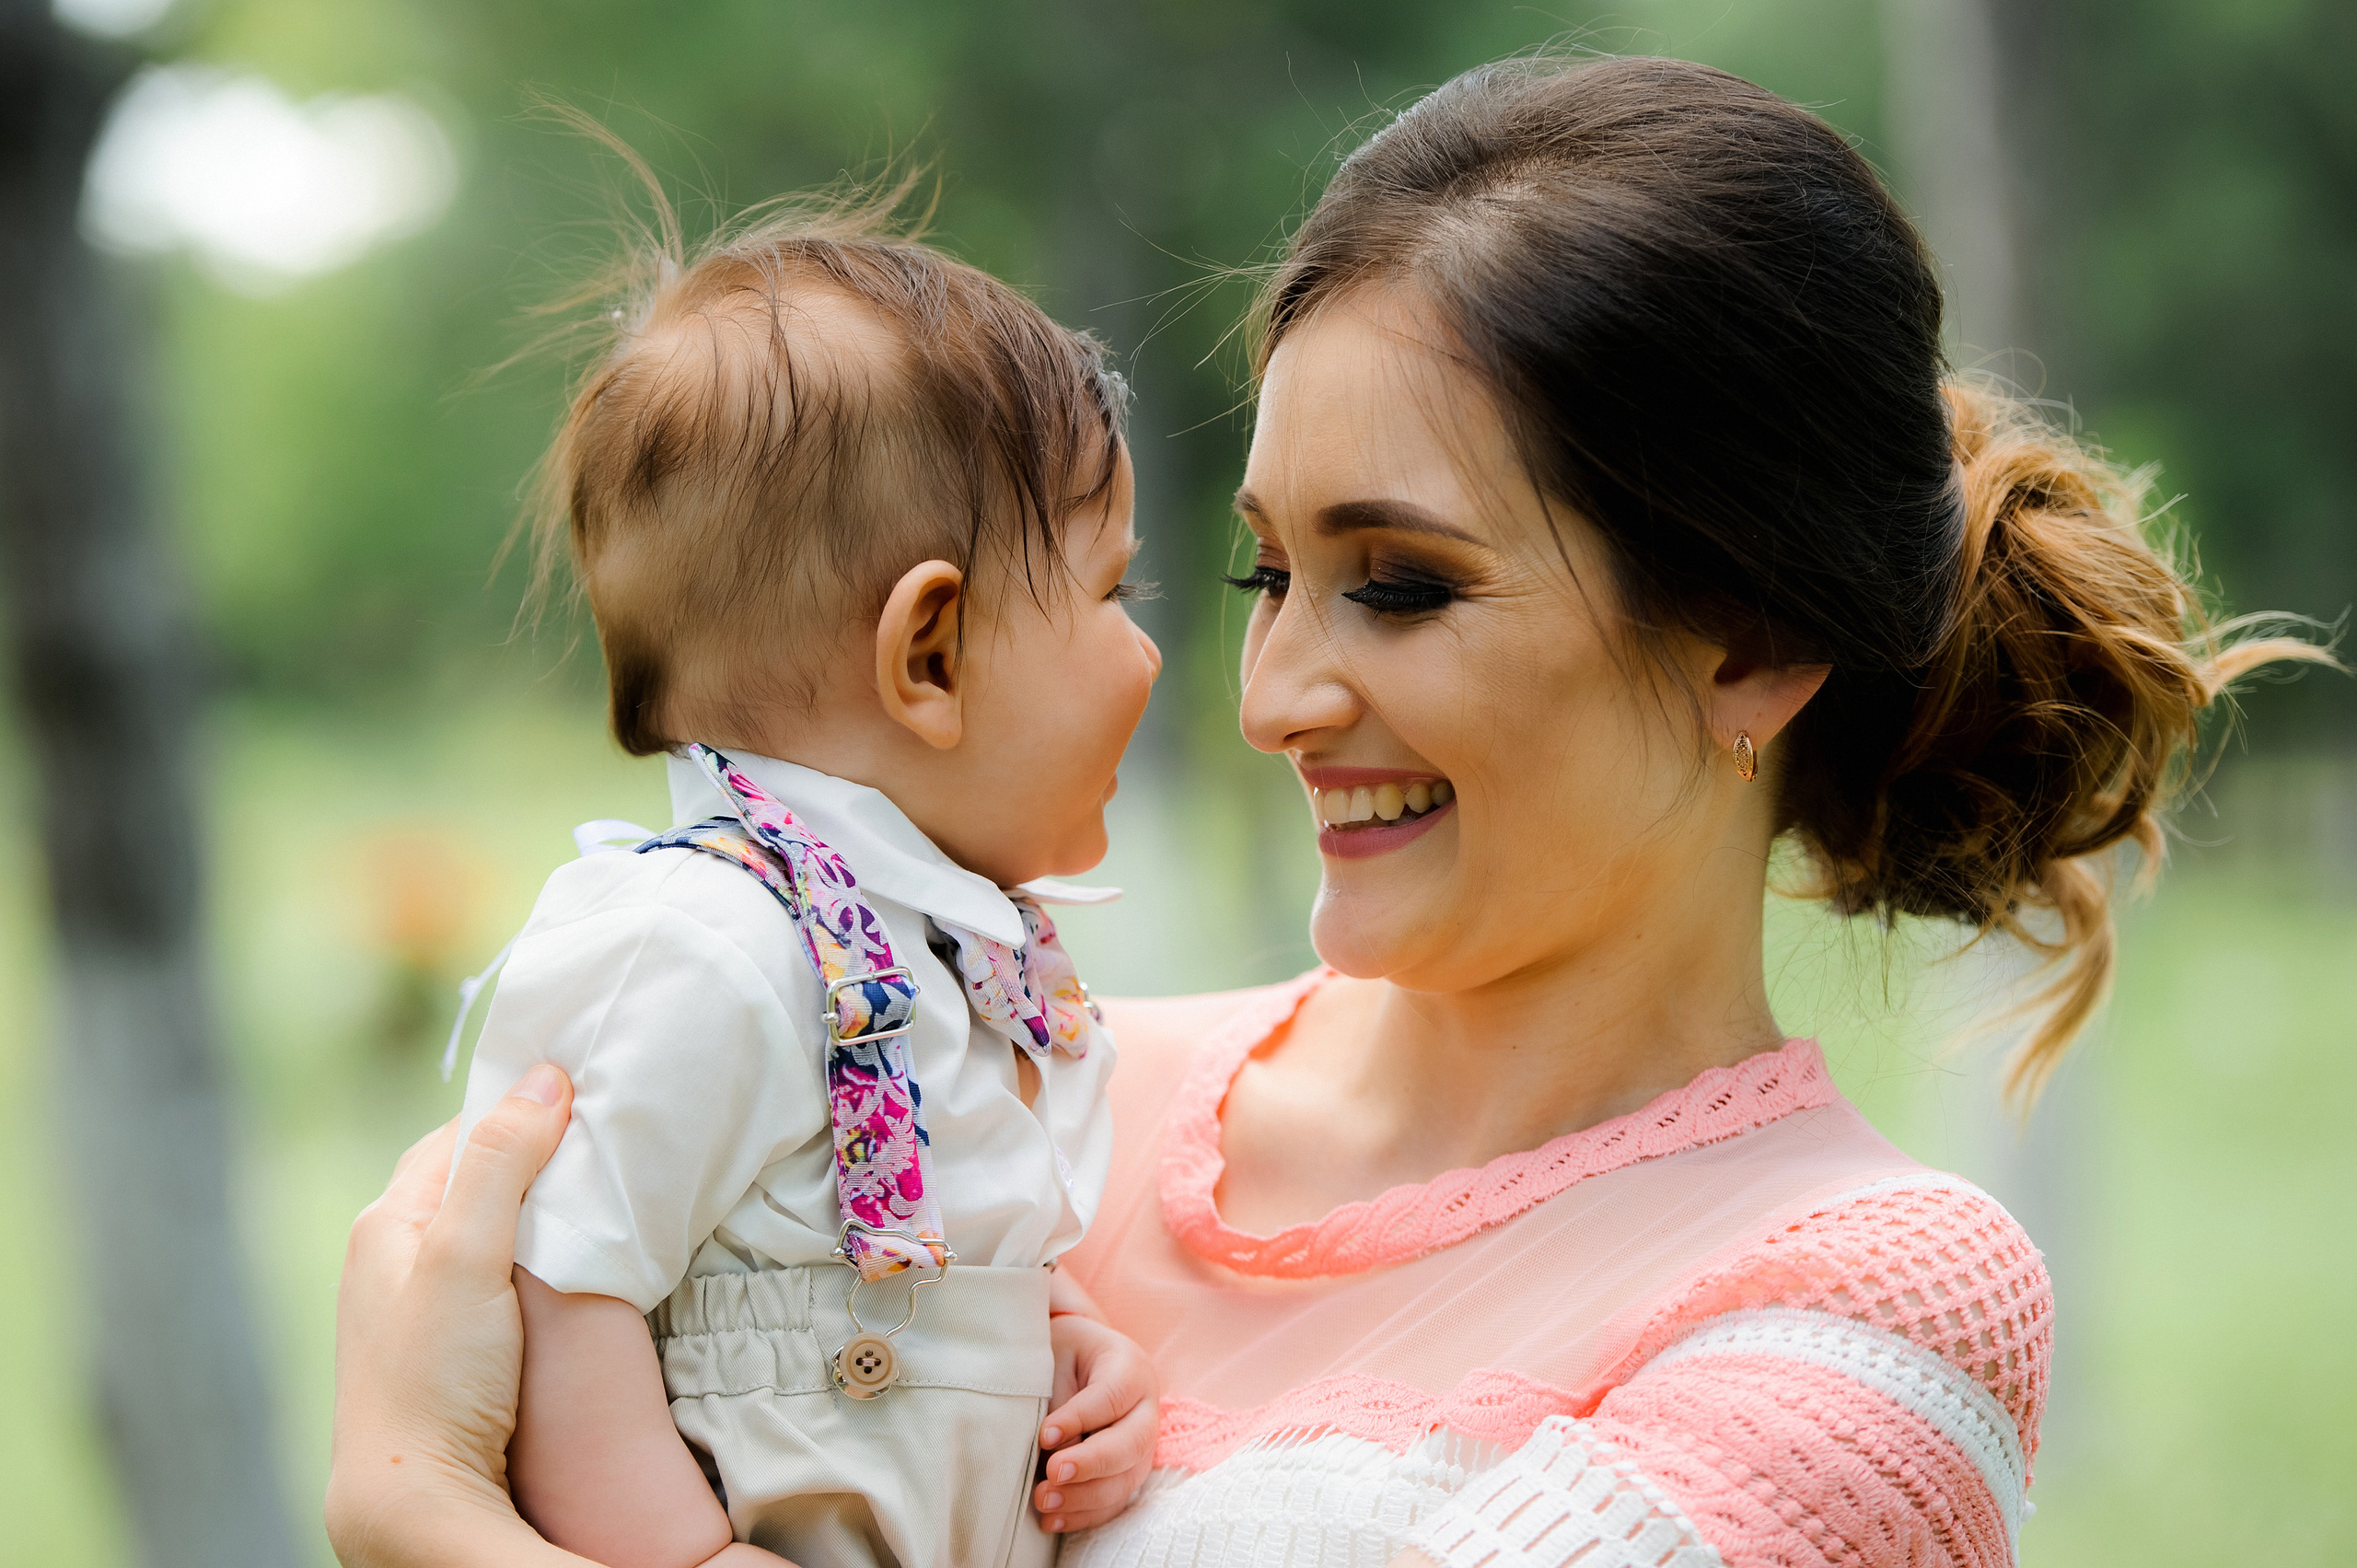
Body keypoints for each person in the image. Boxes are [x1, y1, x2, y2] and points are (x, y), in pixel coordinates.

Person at [329, 55, 2326, 1568]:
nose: (1273, 695)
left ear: (1746, 641)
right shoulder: (993, 1092)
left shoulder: (1854, 1311)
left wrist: (433, 1516)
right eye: (1259, 575)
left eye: (1400, 582)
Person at [441, 183, 1166, 1568]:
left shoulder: (944, 954)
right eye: (1110, 594)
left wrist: (1070, 1355)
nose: (1144, 655)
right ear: (929, 657)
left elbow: (931, 1263)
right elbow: (556, 1294)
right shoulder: (702, 945)